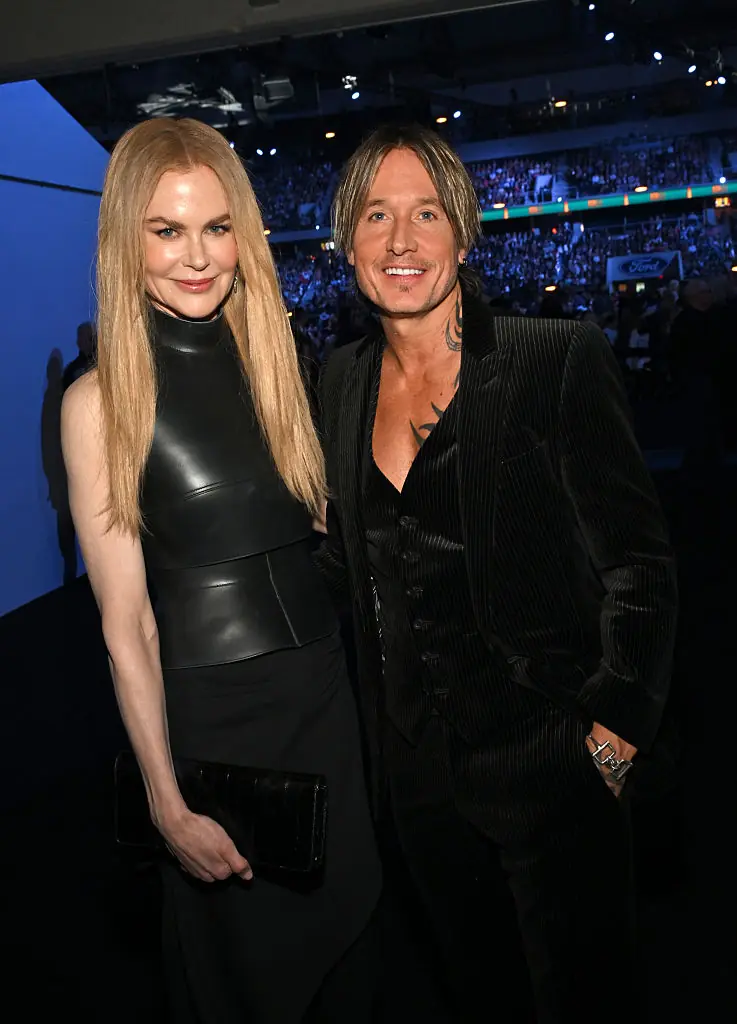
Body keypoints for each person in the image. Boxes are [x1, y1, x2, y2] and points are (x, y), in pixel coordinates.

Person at [316, 123, 678, 1023]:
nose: (401, 240)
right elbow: (342, 564)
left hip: (551, 763)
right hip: (415, 782)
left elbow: (638, 562)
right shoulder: (336, 380)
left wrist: (615, 729)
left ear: (463, 234)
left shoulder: (552, 360)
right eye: (376, 216)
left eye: (425, 213)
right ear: (344, 242)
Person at [61, 117, 380, 1024]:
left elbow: (319, 536)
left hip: (322, 700)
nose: (196, 257)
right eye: (166, 231)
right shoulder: (99, 403)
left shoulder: (278, 364)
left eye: (215, 227)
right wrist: (164, 799)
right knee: (246, 983)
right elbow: (127, 627)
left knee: (353, 959)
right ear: (129, 239)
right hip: (214, 726)